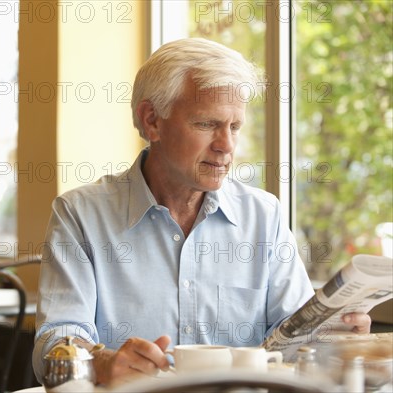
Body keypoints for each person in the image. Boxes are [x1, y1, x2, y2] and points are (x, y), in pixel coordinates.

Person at [32, 38, 371, 386]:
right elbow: (54, 341)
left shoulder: (263, 216)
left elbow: (292, 342)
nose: (226, 145)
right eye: (207, 124)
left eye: (234, 127)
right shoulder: (81, 215)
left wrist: (335, 334)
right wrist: (102, 361)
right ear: (152, 121)